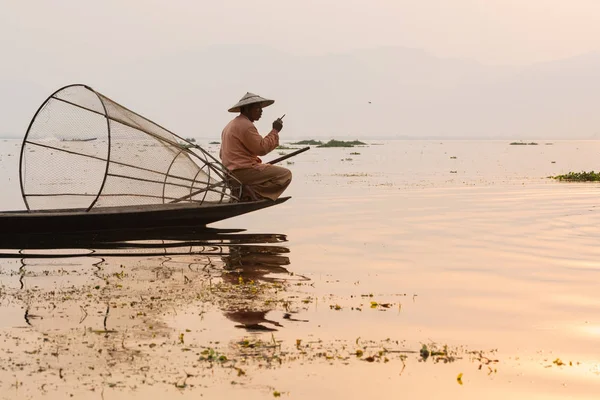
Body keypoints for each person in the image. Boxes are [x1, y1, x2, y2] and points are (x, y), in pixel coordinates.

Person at [220, 92, 292, 201]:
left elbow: (222, 154)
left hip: (230, 175)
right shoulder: (246, 126)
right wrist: (275, 131)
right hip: (241, 173)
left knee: (271, 171)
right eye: (257, 108)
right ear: (247, 109)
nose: (261, 111)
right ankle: (250, 192)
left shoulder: (230, 125)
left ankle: (245, 191)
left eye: (261, 108)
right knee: (285, 175)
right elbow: (261, 149)